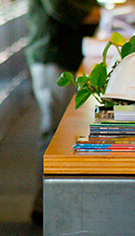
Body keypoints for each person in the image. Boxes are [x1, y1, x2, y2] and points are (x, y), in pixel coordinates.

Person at [27, 0, 100, 222]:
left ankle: (54, 201)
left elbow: (93, 10)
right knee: (53, 133)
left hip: (67, 57)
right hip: (52, 56)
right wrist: (93, 13)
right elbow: (65, 11)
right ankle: (44, 206)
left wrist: (95, 12)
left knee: (62, 131)